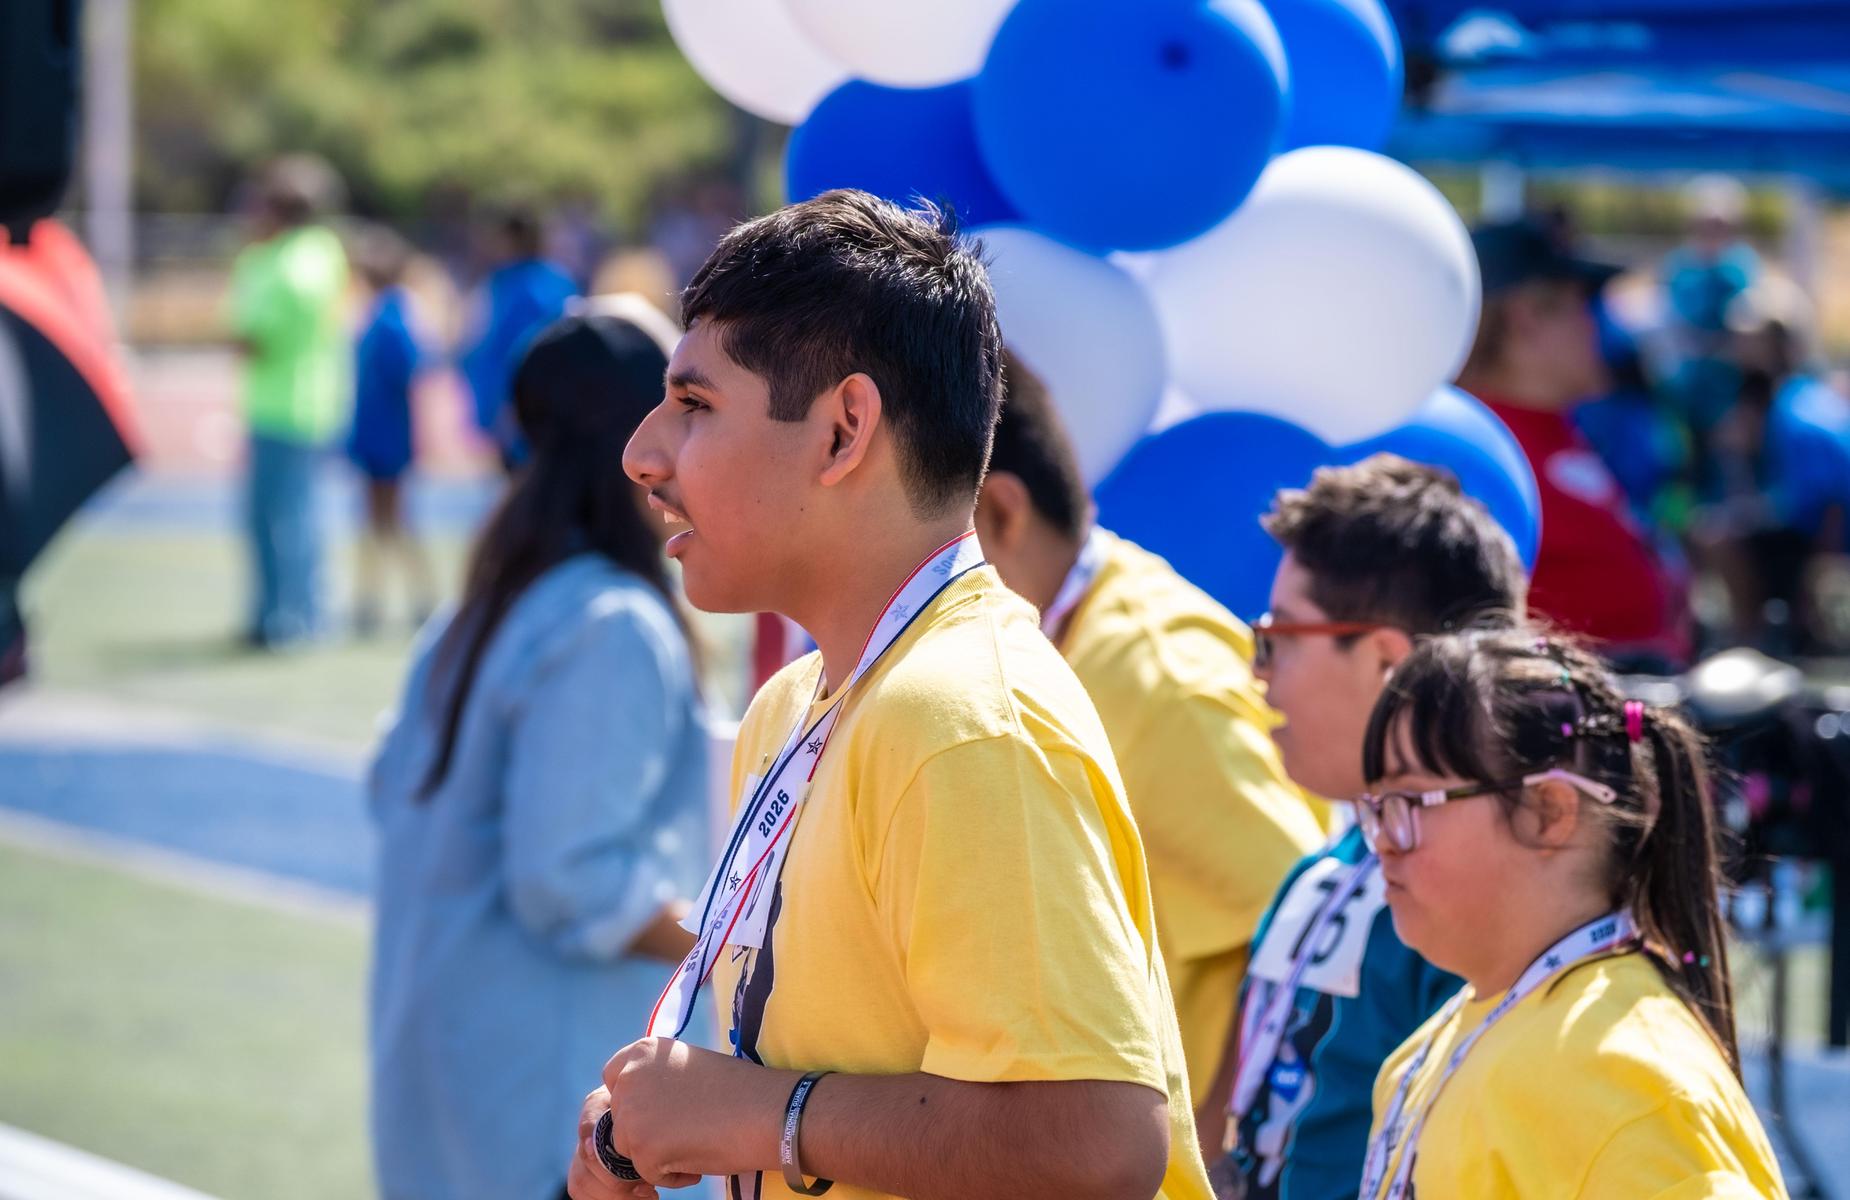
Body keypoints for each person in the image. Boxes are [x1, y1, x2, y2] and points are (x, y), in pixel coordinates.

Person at [573, 190, 1211, 1200]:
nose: (642, 453)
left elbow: (1095, 1148)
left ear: (841, 432)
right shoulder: (797, 705)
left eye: (694, 406)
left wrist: (754, 1115)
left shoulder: (960, 718)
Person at [367, 311, 710, 1200]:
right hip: (544, 1088)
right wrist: (742, 942)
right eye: (692, 413)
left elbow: (388, 791)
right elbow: (567, 880)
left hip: (440, 1062)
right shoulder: (612, 625)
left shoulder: (479, 611)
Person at [974, 352, 1326, 1140]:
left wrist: (1218, 1152)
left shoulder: (1155, 685)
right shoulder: (1068, 642)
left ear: (1000, 513)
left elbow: (1307, 932)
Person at [1355, 628, 1786, 1198]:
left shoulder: (1626, 1079)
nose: (1382, 840)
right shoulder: (1447, 1038)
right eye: (1377, 807)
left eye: (1410, 803)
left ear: (1548, 813)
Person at [1223, 455, 1526, 1200]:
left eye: (1280, 637)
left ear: (1387, 661)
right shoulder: (1319, 871)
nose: (1260, 671)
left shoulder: (1482, 898)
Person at [1457, 216, 1688, 670]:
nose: (1596, 326)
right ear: (1526, 319)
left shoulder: (1555, 430)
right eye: (1581, 306)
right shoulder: (1474, 448)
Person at [226, 154, 350, 648]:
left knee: (277, 520)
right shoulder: (324, 251)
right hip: (309, 402)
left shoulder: (278, 262)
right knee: (297, 518)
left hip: (281, 407)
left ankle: (283, 617)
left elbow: (254, 336)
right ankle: (294, 613)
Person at [1695, 278, 1850, 653]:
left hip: (1816, 539)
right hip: (1803, 528)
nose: (1739, 348)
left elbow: (1823, 499)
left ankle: (1749, 636)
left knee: (1715, 533)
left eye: (1750, 338)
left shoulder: (1800, 407)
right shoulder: (1772, 400)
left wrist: (1818, 571)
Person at [344, 226, 435, 635]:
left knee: (395, 517)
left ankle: (418, 596)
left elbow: (409, 367)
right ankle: (371, 598)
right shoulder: (378, 310)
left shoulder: (395, 313)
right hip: (374, 429)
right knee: (373, 519)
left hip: (389, 431)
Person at [459, 203, 578, 468]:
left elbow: (499, 349)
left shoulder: (506, 286)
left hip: (516, 405)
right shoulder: (560, 282)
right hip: (554, 405)